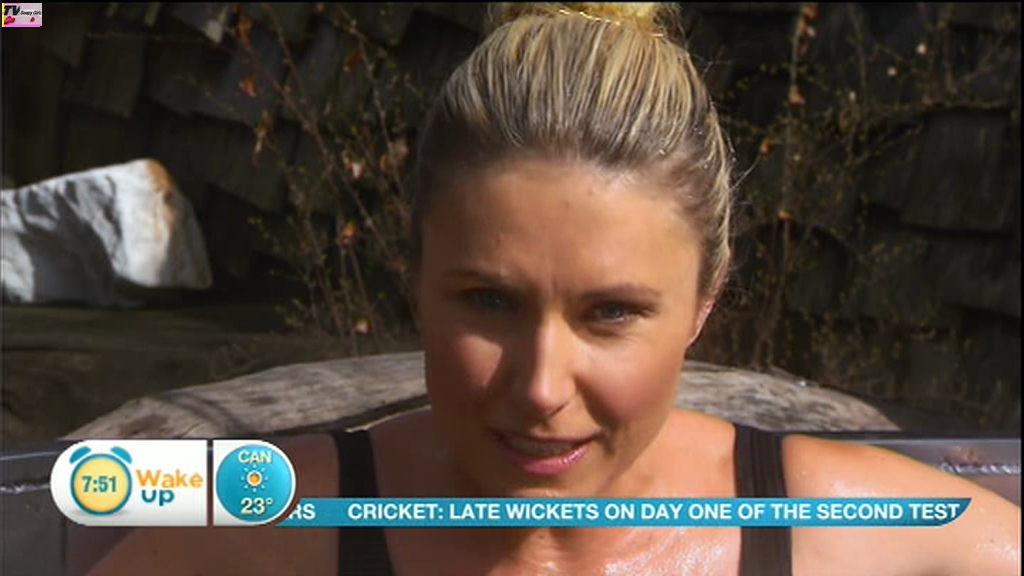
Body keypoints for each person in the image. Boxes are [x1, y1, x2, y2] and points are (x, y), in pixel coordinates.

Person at [78, 3, 1019, 575]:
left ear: (706, 301)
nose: (539, 386)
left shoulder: (855, 532)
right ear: (415, 278)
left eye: (611, 313)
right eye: (490, 301)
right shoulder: (264, 533)